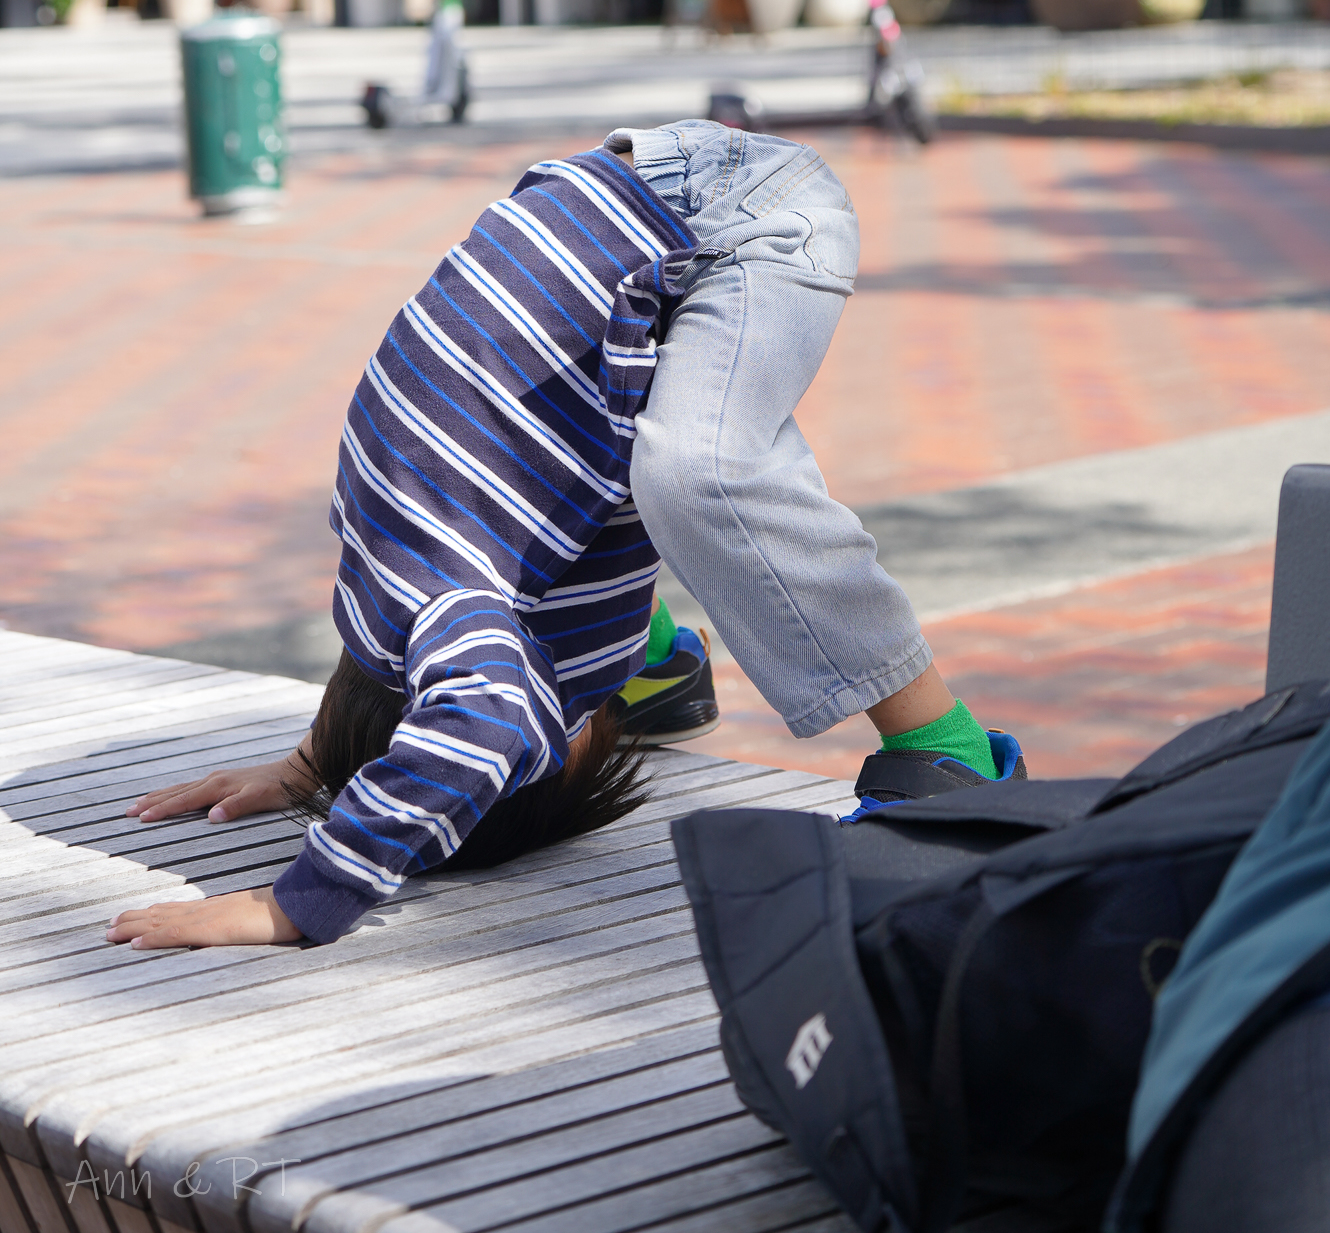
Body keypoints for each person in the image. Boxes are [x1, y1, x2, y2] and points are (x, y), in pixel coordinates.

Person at [109, 123, 1016, 953]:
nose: (588, 724)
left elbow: (485, 723)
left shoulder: (453, 609)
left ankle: (944, 745)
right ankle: (659, 652)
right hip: (619, 210)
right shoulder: (389, 565)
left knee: (697, 474)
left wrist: (297, 902)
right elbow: (396, 683)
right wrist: (314, 763)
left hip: (735, 219)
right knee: (585, 494)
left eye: (578, 724)